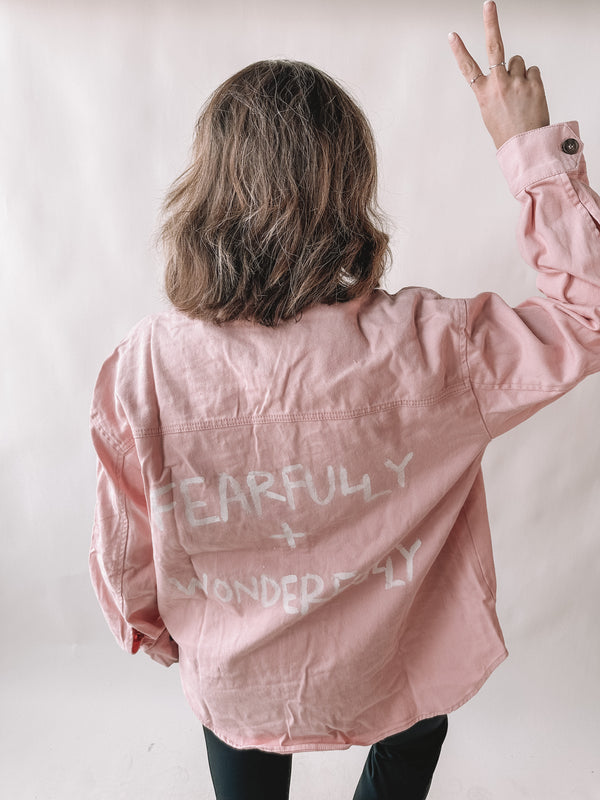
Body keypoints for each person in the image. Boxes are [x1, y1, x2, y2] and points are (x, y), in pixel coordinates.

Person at [89, 2, 599, 798]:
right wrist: (528, 149)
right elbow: (587, 317)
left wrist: (156, 632)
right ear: (350, 190)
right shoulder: (433, 345)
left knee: (241, 725)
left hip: (237, 675)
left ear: (207, 190)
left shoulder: (147, 365)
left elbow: (126, 552)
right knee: (421, 705)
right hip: (394, 664)